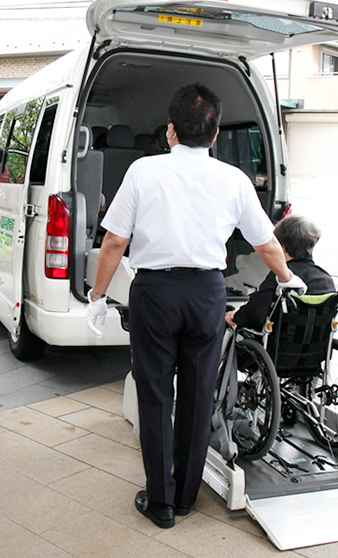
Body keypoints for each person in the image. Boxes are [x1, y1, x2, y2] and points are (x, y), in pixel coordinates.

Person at [86, 83, 304, 529]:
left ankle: (161, 502)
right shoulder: (234, 180)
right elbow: (266, 242)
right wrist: (287, 277)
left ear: (170, 131)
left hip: (155, 293)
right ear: (217, 132)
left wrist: (96, 295)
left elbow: (113, 242)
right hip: (207, 294)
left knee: (155, 394)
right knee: (197, 394)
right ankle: (186, 496)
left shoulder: (144, 172)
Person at [226, 214, 335, 330]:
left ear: (281, 247)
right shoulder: (326, 280)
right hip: (317, 345)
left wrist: (236, 316)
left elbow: (255, 316)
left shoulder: (282, 276)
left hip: (279, 344)